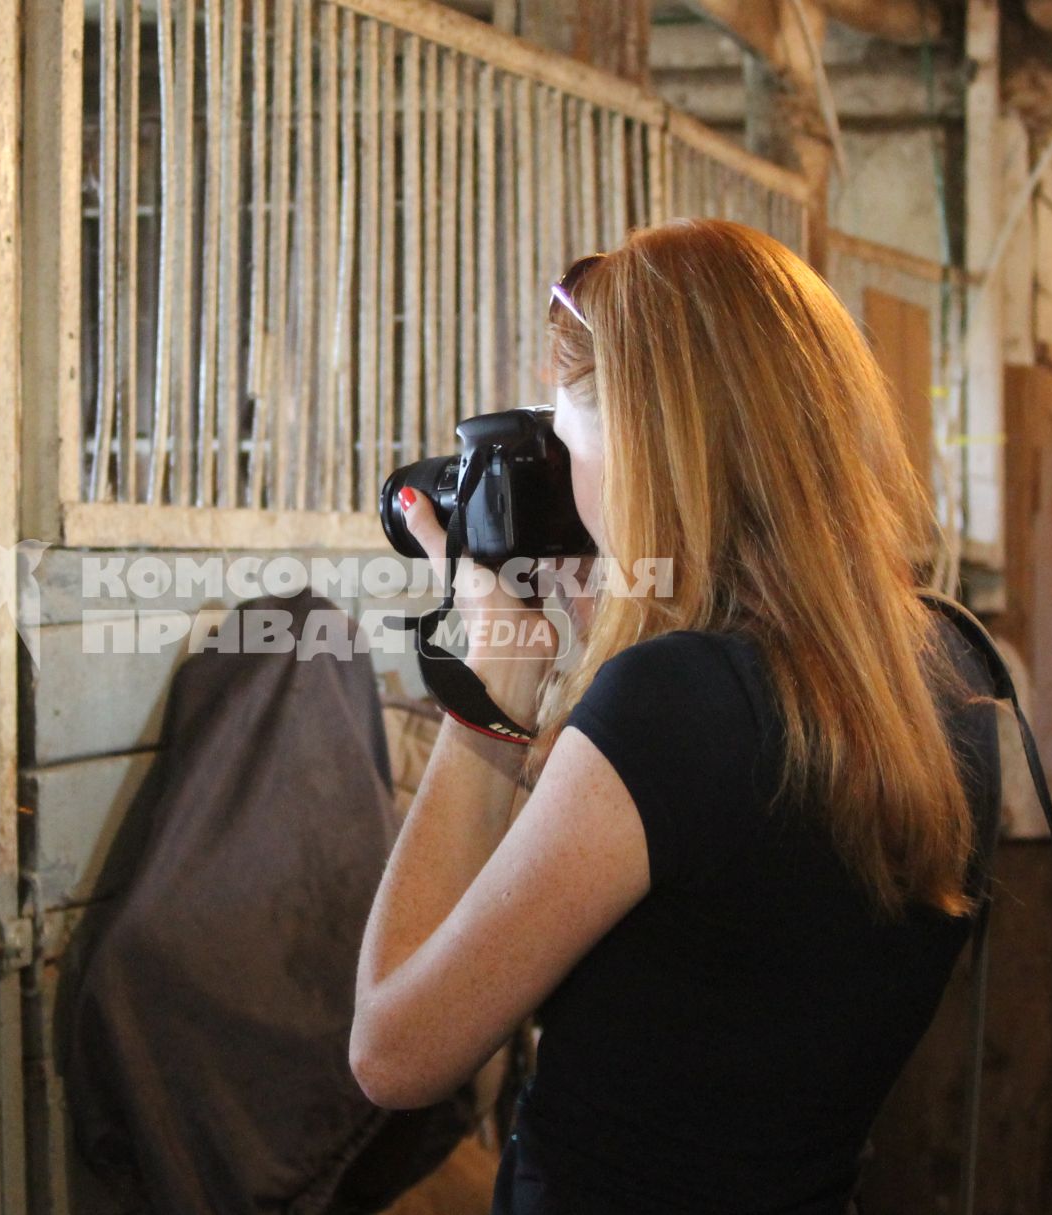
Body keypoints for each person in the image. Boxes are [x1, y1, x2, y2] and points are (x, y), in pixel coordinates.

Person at [350, 219, 1000, 1215]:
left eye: (568, 442)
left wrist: (490, 695)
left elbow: (393, 1054)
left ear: (651, 450)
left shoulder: (674, 711)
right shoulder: (948, 673)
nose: (568, 485)